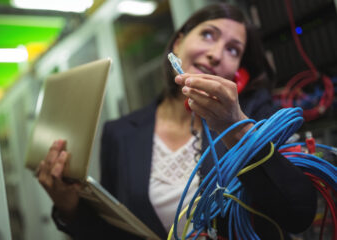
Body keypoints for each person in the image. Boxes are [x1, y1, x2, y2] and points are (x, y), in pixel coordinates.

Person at [37, 3, 317, 239]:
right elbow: (111, 233)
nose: (217, 54)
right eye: (208, 35)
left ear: (238, 73)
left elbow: (298, 214)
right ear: (178, 43)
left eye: (233, 50)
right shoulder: (120, 133)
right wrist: (69, 208)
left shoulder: (256, 118)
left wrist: (236, 127)